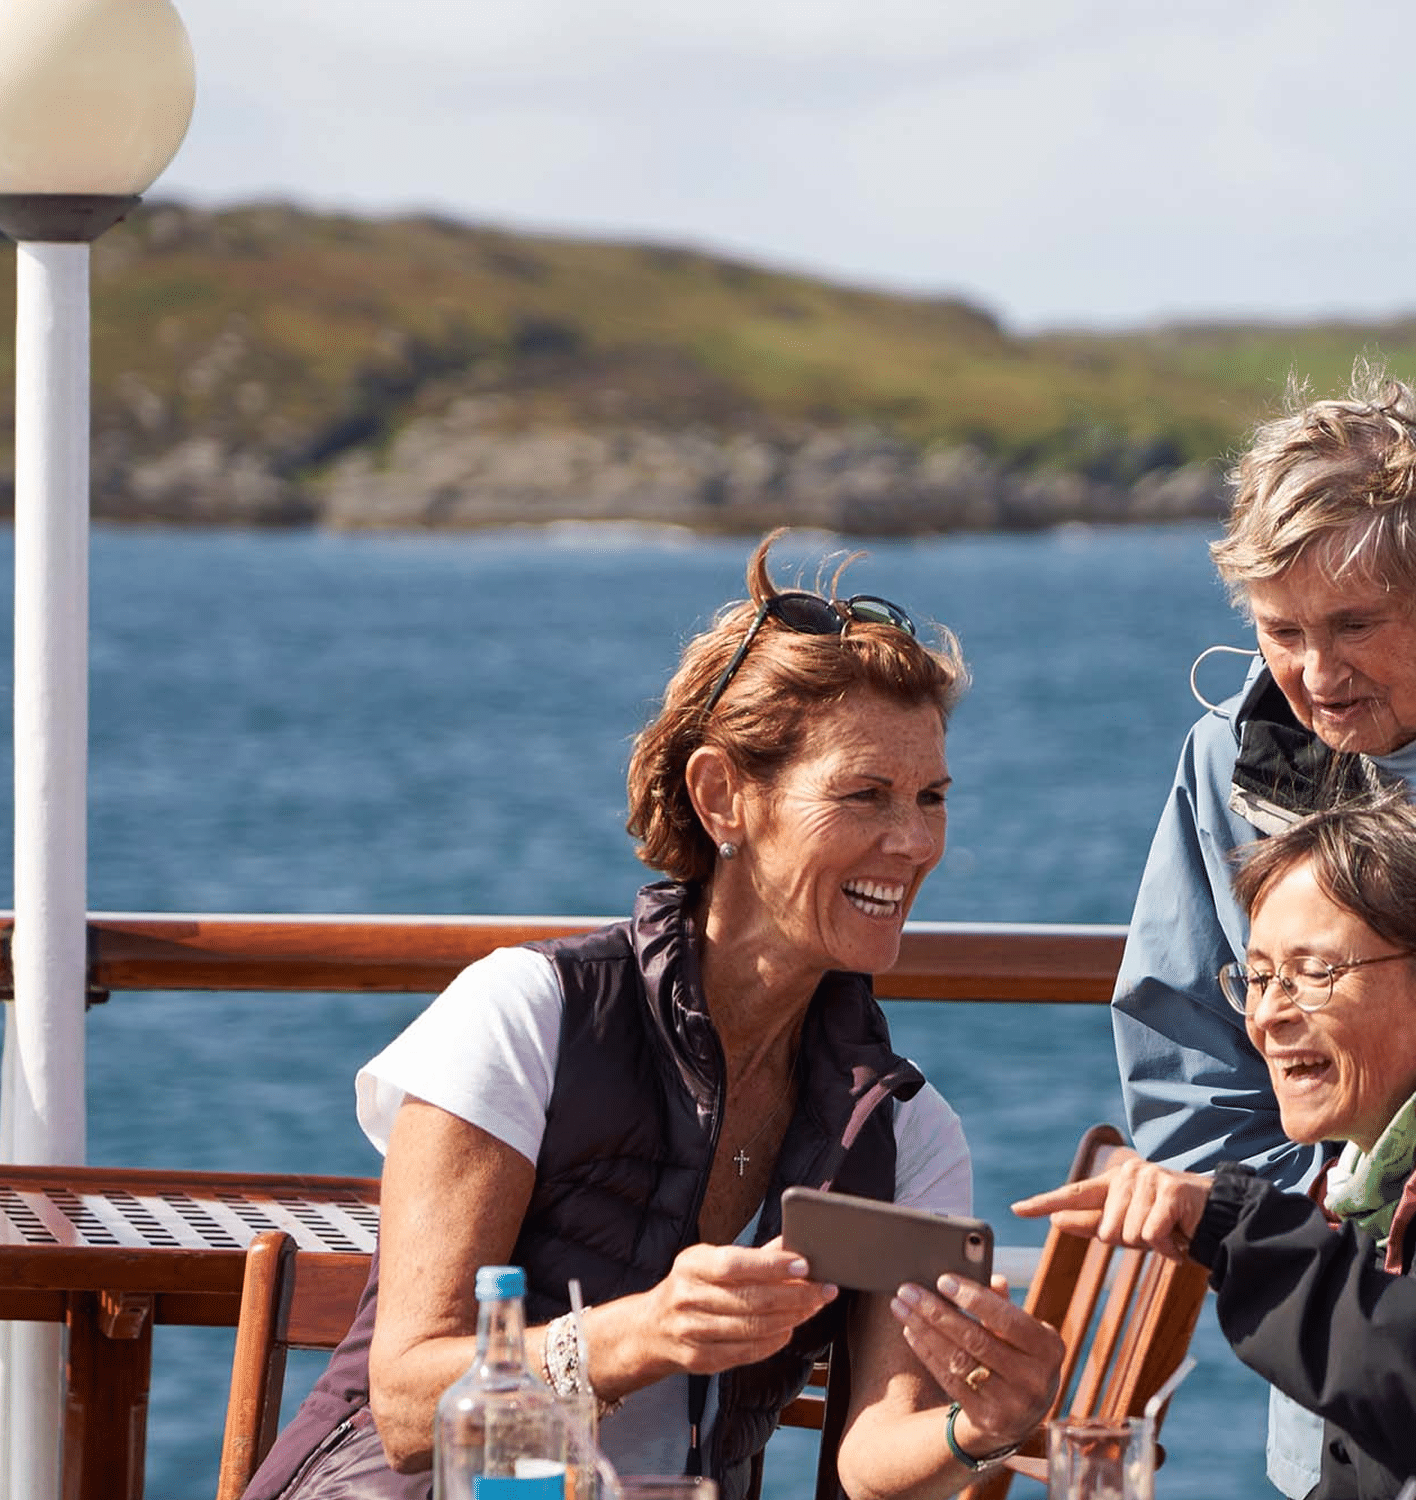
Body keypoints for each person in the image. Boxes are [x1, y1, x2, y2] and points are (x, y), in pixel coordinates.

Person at [244, 530, 1062, 1500]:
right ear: (722, 796)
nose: (914, 841)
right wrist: (644, 1332)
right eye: (865, 794)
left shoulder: (903, 1133)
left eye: (931, 797)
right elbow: (409, 1407)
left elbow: (870, 1455)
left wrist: (981, 1428)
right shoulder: (528, 1019)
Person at [1110, 366, 1416, 1492]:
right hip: (1334, 1384)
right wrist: (1331, 1249)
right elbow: (1185, 1064)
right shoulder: (1224, 764)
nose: (1317, 674)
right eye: (1281, 631)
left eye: (1355, 625)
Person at [1023, 793, 1416, 1500]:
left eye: (1315, 973)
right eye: (1259, 976)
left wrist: (1235, 1222)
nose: (1266, 1016)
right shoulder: (1367, 1193)